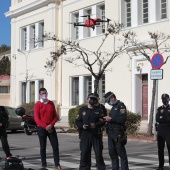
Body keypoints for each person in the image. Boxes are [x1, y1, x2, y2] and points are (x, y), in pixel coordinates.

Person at [76, 93, 106, 170]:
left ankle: (101, 168)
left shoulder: (99, 110)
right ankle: (84, 168)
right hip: (85, 134)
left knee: (98, 153)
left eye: (93, 99)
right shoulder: (82, 110)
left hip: (96, 134)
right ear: (87, 99)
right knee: (84, 152)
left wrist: (96, 125)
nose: (92, 100)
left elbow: (102, 121)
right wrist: (82, 126)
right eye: (90, 98)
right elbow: (78, 121)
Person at [34, 88, 62, 170]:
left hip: (50, 127)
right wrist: (45, 126)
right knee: (43, 147)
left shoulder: (51, 103)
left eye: (45, 93)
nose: (44, 94)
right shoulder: (38, 104)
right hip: (41, 128)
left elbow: (55, 116)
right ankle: (44, 165)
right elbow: (37, 118)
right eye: (42, 93)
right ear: (40, 94)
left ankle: (57, 164)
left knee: (55, 146)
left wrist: (50, 125)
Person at [103, 91, 129, 170]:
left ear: (112, 98)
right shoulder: (113, 107)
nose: (108, 103)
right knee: (112, 153)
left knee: (121, 153)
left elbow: (122, 119)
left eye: (108, 101)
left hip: (118, 133)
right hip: (111, 132)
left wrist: (111, 119)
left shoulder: (121, 106)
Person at [156, 93, 170, 170]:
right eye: (163, 99)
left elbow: (167, 119)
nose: (164, 100)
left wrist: (163, 118)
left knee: (169, 149)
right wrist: (165, 118)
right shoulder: (159, 109)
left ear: (169, 99)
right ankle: (161, 166)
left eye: (166, 99)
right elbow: (157, 119)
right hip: (161, 130)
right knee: (160, 149)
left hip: (168, 130)